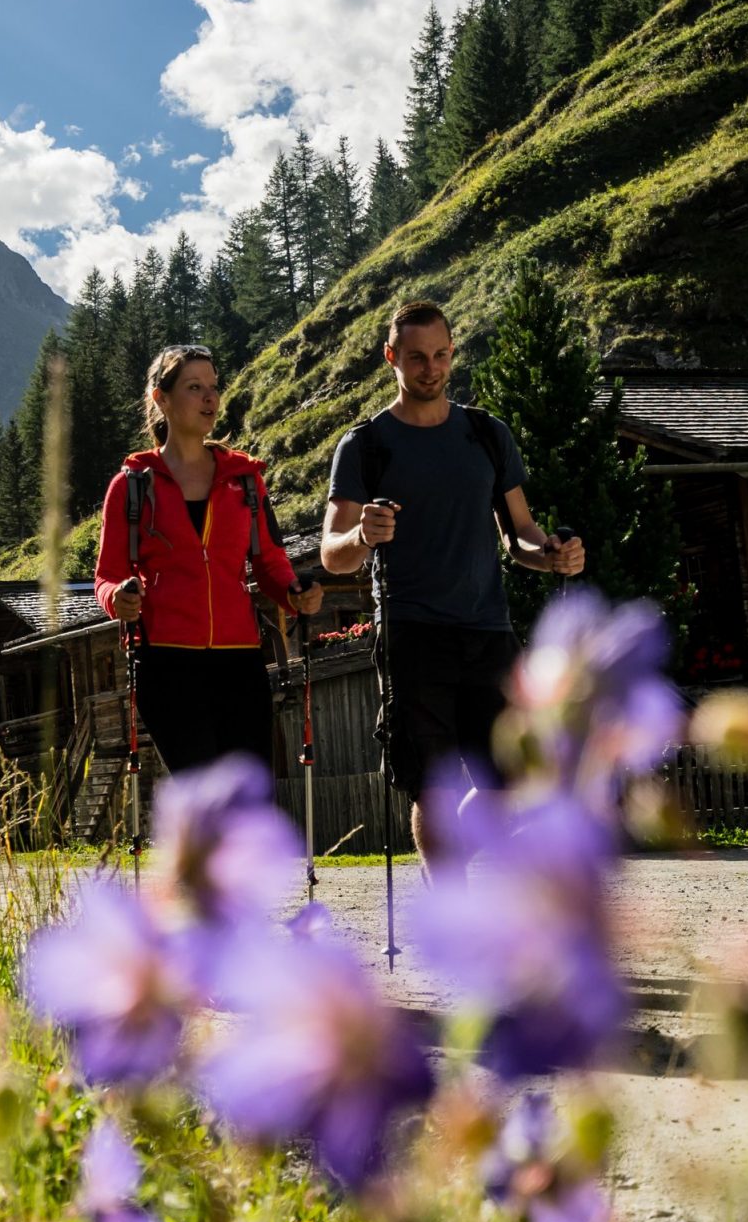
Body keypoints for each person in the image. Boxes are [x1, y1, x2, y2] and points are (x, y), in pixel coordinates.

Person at [320, 300, 585, 881]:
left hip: (488, 632)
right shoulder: (364, 446)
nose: (431, 368)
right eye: (416, 358)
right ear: (391, 358)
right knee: (436, 789)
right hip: (412, 637)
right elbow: (332, 554)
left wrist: (554, 556)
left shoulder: (487, 435)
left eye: (441, 355)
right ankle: (454, 910)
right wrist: (363, 532)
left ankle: (460, 865)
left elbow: (520, 537)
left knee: (515, 779)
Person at [94, 344, 323, 775]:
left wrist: (295, 593)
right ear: (161, 399)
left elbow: (270, 562)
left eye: (213, 388)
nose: (210, 399)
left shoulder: (247, 480)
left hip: (240, 659)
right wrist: (117, 600)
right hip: (164, 663)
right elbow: (108, 576)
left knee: (246, 793)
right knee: (202, 795)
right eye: (194, 388)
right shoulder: (130, 487)